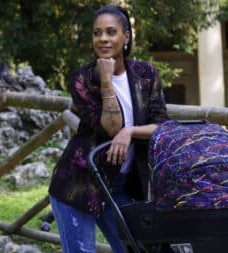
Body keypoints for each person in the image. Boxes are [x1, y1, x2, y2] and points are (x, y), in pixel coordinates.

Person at [48, 5, 168, 253]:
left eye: (111, 32)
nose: (103, 38)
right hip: (77, 184)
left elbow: (162, 127)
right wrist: (106, 81)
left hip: (122, 186)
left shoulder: (146, 75)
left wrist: (130, 132)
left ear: (126, 36)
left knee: (135, 249)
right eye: (97, 33)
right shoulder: (82, 78)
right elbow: (111, 129)